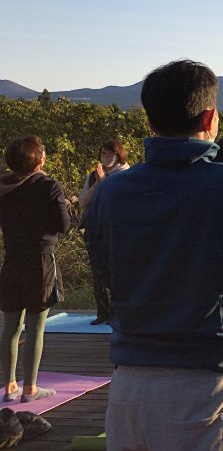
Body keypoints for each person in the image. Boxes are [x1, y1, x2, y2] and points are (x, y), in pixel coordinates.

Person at [85, 60, 223, 451]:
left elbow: (105, 269)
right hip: (209, 385)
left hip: (128, 385)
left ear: (150, 120)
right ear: (209, 117)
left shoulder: (111, 192)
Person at [0, 135, 71, 403]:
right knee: (35, 326)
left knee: (10, 327)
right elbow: (63, 226)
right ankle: (29, 389)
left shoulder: (3, 186)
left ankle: (9, 387)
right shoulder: (48, 186)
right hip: (40, 261)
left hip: (12, 261)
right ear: (39, 161)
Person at [78, 138, 130, 325]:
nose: (105, 158)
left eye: (109, 154)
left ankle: (119, 314)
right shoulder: (94, 176)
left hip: (118, 230)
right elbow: (83, 201)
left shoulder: (127, 174)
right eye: (102, 154)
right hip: (94, 229)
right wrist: (98, 183)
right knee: (98, 273)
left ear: (118, 155)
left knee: (118, 272)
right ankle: (103, 313)